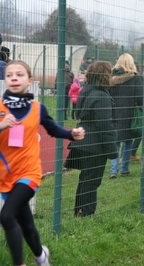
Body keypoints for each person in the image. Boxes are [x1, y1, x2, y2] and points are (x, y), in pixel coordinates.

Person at [0, 60, 85, 266]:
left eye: (19, 74)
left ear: (30, 81)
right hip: (5, 176)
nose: (13, 78)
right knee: (27, 226)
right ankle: (41, 256)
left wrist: (71, 134)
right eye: (9, 74)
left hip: (29, 173)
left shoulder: (38, 108)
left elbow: (53, 129)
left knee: (6, 216)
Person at [64, 61, 117, 217]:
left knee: (85, 179)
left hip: (83, 140)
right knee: (92, 180)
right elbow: (105, 126)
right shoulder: (101, 96)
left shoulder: (85, 91)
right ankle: (86, 213)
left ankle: (79, 210)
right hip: (94, 144)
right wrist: (112, 150)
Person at [108, 53, 143, 179]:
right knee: (128, 141)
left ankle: (113, 170)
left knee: (115, 141)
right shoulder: (135, 78)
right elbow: (140, 98)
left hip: (113, 113)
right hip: (129, 114)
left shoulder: (111, 78)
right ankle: (124, 169)